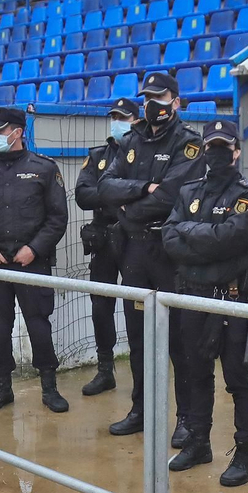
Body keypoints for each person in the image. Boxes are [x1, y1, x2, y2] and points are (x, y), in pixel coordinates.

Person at [97, 72, 206, 440]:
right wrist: (143, 187)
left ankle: (186, 418)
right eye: (147, 97)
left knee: (179, 340)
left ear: (175, 101)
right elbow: (105, 187)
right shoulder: (131, 139)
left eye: (159, 97)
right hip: (134, 251)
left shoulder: (189, 144)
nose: (152, 104)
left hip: (169, 251)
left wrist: (129, 208)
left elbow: (174, 193)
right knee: (139, 336)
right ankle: (141, 409)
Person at [160, 120, 248, 487]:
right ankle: (198, 442)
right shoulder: (189, 191)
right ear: (204, 150)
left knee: (236, 377)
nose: (217, 153)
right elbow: (169, 238)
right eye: (212, 147)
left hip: (232, 298)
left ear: (236, 151)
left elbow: (231, 242)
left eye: (224, 147)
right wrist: (203, 238)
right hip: (193, 295)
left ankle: (245, 453)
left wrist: (193, 235)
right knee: (195, 372)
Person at [0, 106, 70, 414]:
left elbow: (58, 218)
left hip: (30, 263)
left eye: (0, 130)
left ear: (18, 132)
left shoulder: (44, 169)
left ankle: (49, 386)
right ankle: (2, 386)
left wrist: (34, 249)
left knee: (38, 326)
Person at [73, 97, 142, 397]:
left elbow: (147, 196)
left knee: (135, 310)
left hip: (133, 239)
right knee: (101, 308)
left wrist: (109, 191)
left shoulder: (143, 153)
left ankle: (143, 374)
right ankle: (105, 370)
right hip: (102, 240)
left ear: (136, 121)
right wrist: (115, 193)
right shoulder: (99, 155)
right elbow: (82, 194)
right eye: (114, 116)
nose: (117, 122)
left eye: (123, 117)